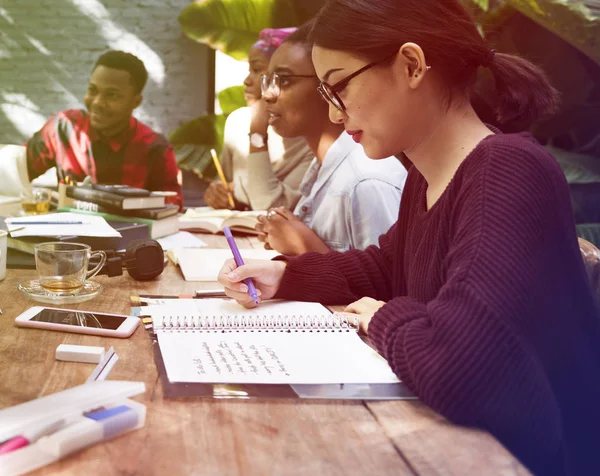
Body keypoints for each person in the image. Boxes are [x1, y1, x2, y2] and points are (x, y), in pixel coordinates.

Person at [217, 1, 600, 475]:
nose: (336, 115)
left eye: (338, 87)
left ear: (412, 65)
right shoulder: (427, 176)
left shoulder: (506, 170)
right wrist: (286, 275)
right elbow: (387, 267)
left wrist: (382, 318)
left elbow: (461, 365)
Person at [255, 24, 407, 254]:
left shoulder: (366, 182)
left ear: (329, 86)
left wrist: (304, 248)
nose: (267, 94)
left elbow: (389, 286)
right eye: (269, 80)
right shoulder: (324, 166)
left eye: (284, 80)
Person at [26, 50, 182, 207]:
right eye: (93, 90)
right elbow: (11, 173)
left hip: (129, 231)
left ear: (136, 102)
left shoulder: (156, 149)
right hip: (67, 230)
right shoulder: (63, 128)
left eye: (112, 95)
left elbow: (171, 209)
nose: (97, 103)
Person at [204, 28, 314, 211]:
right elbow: (226, 184)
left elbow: (271, 207)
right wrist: (217, 193)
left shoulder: (309, 137)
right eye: (249, 70)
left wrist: (257, 132)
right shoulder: (237, 122)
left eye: (257, 70)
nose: (247, 80)